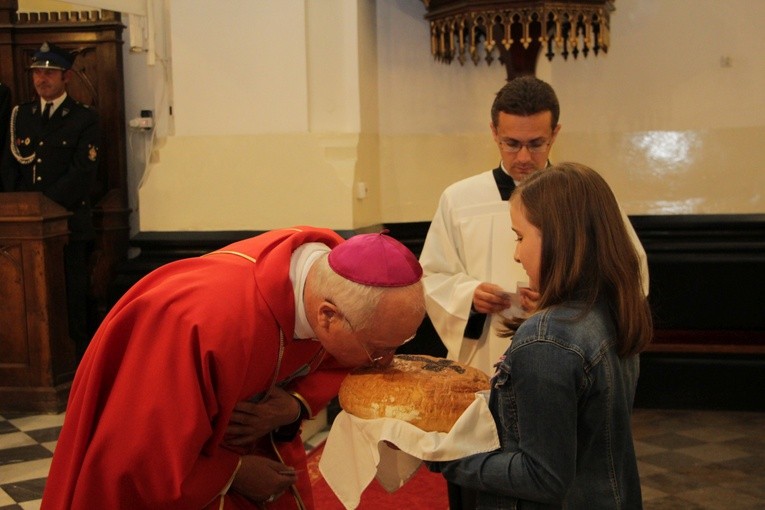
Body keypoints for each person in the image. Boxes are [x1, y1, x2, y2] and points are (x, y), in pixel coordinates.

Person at [40, 226, 426, 510]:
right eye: (378, 349)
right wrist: (233, 472)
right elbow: (140, 455)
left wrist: (293, 405)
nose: (386, 361)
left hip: (258, 448)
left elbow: (324, 363)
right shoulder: (203, 323)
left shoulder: (337, 280)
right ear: (326, 317)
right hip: (191, 472)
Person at [428, 162, 653, 509]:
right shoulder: (609, 308)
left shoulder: (546, 339)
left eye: (520, 237)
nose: (516, 254)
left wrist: (444, 455)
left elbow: (542, 476)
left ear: (559, 237)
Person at [419, 76, 648, 375]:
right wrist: (470, 297)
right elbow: (433, 275)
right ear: (494, 132)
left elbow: (631, 270)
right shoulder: (459, 199)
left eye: (536, 144)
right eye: (511, 144)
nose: (524, 157)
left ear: (555, 133)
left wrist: (563, 299)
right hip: (487, 353)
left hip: (569, 352)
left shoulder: (583, 195)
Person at [0, 42, 100, 360]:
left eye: (50, 72)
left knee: (71, 298)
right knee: (27, 303)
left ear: (66, 77)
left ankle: (78, 363)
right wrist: (23, 210)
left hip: (68, 225)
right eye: (37, 72)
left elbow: (83, 172)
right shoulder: (22, 116)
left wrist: (44, 209)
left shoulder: (84, 118)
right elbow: (9, 166)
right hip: (26, 231)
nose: (42, 79)